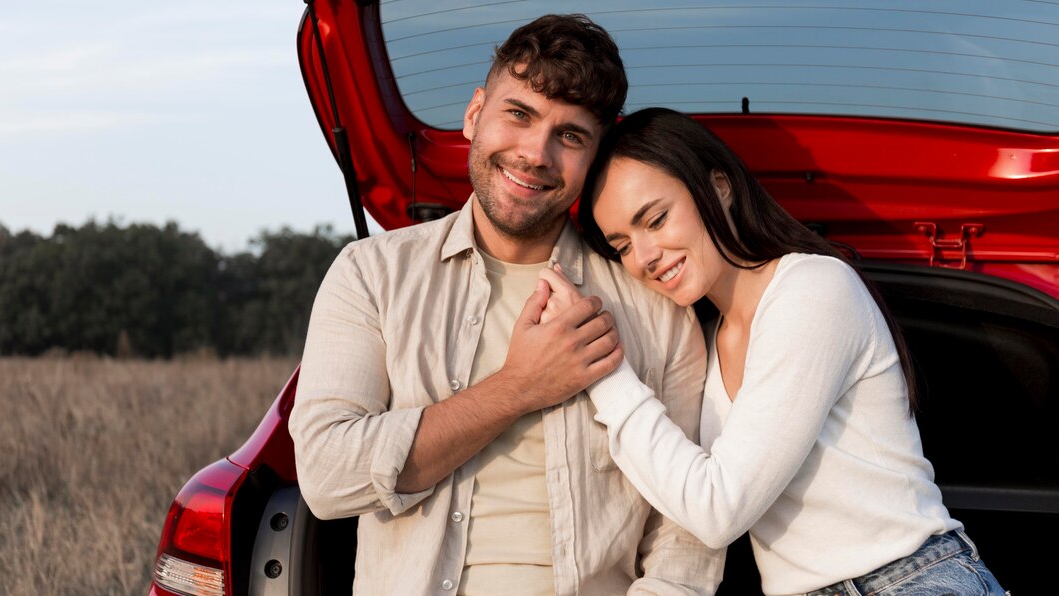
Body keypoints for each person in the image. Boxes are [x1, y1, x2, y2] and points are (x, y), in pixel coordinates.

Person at [289, 17, 722, 595]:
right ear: (474, 114)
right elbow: (325, 475)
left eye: (570, 136)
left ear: (594, 158)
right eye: (518, 114)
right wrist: (518, 386)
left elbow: (686, 534)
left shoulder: (655, 304)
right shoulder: (371, 274)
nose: (535, 153)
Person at [539, 107, 1007, 595]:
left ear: (719, 187)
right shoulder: (706, 336)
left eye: (655, 219)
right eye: (622, 245)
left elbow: (718, 510)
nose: (645, 256)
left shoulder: (813, 289)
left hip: (908, 580)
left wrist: (601, 368)